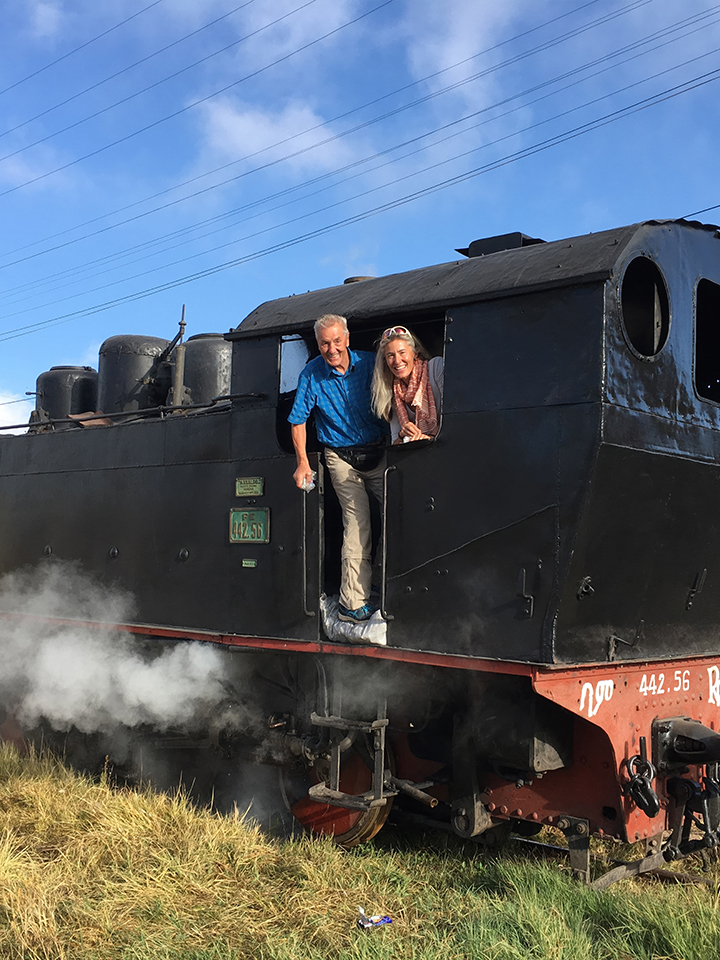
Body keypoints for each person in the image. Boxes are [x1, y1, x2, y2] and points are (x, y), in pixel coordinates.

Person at [288, 314, 388, 624]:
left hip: (380, 450)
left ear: (346, 338)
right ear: (317, 344)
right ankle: (352, 603)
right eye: (323, 343)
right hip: (340, 456)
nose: (331, 349)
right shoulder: (311, 375)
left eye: (335, 341)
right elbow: (298, 420)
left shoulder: (372, 362)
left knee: (399, 513)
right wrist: (303, 462)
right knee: (357, 524)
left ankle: (388, 586)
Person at [371, 325, 443, 443]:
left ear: (415, 353)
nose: (397, 360)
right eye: (390, 355)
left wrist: (430, 439)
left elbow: (456, 417)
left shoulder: (435, 368)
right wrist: (402, 435)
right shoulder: (392, 391)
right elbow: (395, 442)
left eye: (402, 352)